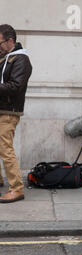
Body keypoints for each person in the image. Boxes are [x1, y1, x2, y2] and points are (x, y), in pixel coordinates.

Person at [0, 24, 32, 203]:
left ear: (10, 40)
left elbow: (15, 86)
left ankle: (17, 188)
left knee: (6, 149)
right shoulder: (6, 57)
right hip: (1, 109)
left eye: (0, 43)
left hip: (9, 111)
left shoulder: (20, 59)